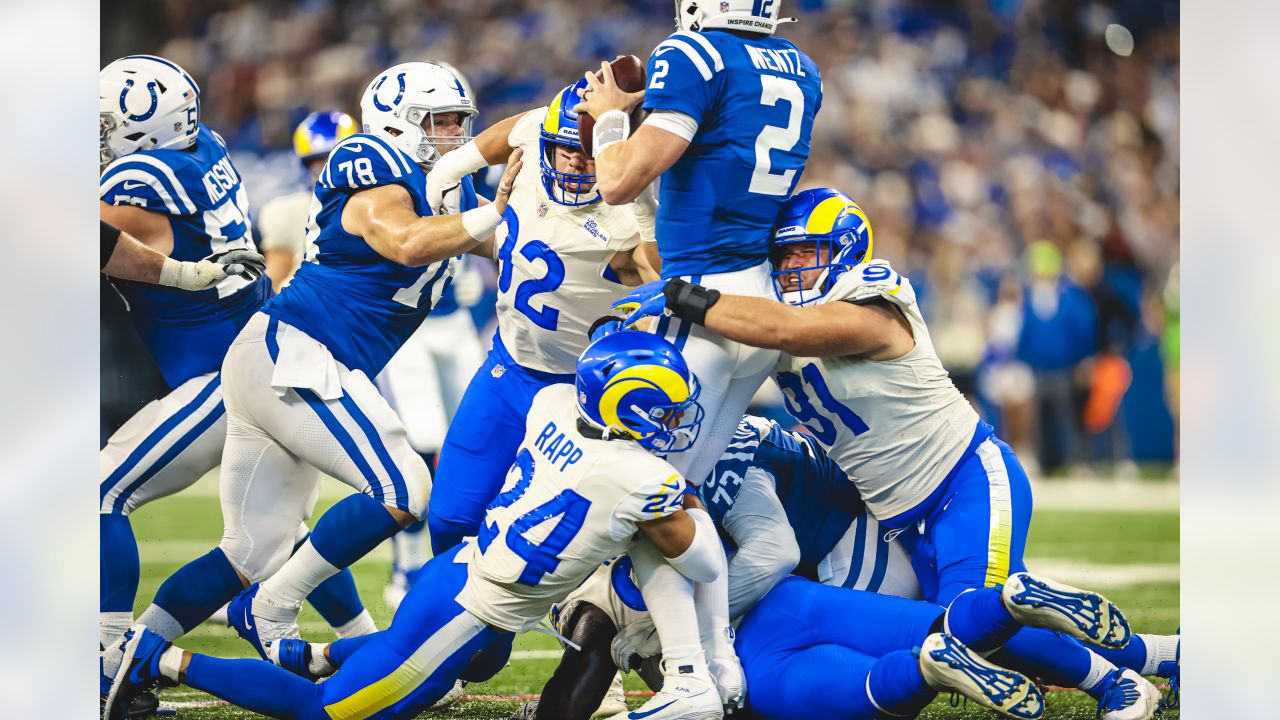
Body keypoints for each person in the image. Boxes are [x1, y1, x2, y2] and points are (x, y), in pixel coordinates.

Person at [616, 187, 1166, 719]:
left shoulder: (872, 298)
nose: (792, 267)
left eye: (808, 251)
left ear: (848, 250)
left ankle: (1117, 684)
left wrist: (683, 295)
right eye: (783, 255)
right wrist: (638, 218)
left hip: (964, 481)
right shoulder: (772, 317)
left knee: (960, 623)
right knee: (968, 629)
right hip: (899, 518)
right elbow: (677, 283)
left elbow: (785, 327)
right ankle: (1165, 656)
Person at [104, 61, 522, 677]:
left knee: (251, 546)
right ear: (399, 124)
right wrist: (495, 213)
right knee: (405, 488)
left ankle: (131, 654)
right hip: (294, 351)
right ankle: (270, 607)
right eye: (441, 121)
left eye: (462, 120)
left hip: (283, 358)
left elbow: (507, 226)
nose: (455, 135)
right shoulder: (368, 161)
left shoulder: (449, 187)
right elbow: (405, 241)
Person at [103, 331, 722, 720]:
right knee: (330, 713)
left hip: (461, 572)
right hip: (470, 609)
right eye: (665, 408)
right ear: (626, 408)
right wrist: (685, 494)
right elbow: (701, 563)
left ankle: (314, 653)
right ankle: (156, 660)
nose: (677, 419)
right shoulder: (638, 479)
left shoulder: (555, 403)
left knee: (471, 670)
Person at [574, 1, 822, 711]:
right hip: (755, 302)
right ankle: (719, 667)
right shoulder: (800, 69)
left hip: (700, 300)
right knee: (685, 494)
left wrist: (613, 117)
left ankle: (690, 677)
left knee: (652, 499)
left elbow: (617, 180)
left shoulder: (696, 54)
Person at [421, 77, 659, 555]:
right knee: (449, 519)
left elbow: (665, 276)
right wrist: (454, 167)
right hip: (508, 370)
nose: (574, 161)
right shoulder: (535, 132)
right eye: (564, 148)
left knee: (562, 545)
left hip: (581, 394)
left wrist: (642, 199)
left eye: (591, 152)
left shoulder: (629, 220)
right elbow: (513, 131)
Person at [98, 54, 276, 653]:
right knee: (272, 534)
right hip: (255, 353)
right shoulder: (208, 148)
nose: (96, 137)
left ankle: (108, 653)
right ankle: (354, 638)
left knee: (98, 495)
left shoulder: (137, 183)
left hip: (219, 380)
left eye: (104, 125)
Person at [258, 110, 359, 292]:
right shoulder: (288, 212)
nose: (329, 169)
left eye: (336, 158)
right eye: (319, 162)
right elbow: (273, 285)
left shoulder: (378, 200)